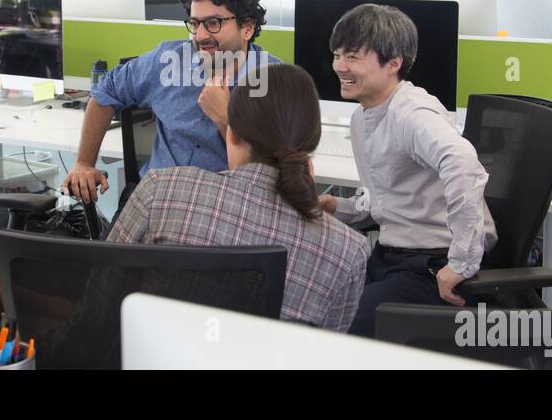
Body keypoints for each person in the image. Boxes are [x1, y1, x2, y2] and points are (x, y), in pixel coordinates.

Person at [108, 63, 368, 330]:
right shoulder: (348, 250)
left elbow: (100, 296)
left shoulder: (161, 190)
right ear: (311, 144)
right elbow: (324, 353)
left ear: (231, 133)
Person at [316, 4, 497, 336]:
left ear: (393, 63)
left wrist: (460, 264)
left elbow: (465, 167)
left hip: (430, 262)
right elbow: (388, 197)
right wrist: (339, 208)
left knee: (346, 328)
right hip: (389, 257)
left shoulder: (412, 113)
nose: (339, 66)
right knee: (312, 306)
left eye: (353, 57)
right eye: (337, 55)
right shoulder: (364, 116)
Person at [62, 0, 280, 204]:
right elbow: (106, 92)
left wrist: (225, 119)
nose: (201, 35)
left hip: (220, 211)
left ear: (247, 28)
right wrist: (84, 163)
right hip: (153, 199)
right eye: (195, 24)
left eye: (214, 23)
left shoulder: (276, 82)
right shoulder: (168, 60)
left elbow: (273, 173)